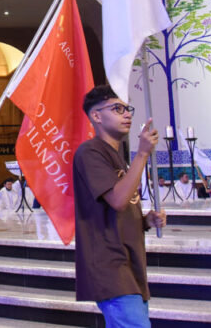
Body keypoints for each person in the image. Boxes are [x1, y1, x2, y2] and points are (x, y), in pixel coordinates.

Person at [74, 84, 166, 327]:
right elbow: (117, 200)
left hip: (130, 263)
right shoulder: (90, 152)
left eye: (128, 109)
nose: (127, 114)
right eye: (117, 109)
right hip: (110, 266)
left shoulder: (117, 157)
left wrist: (146, 220)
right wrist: (142, 155)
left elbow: (121, 206)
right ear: (96, 116)